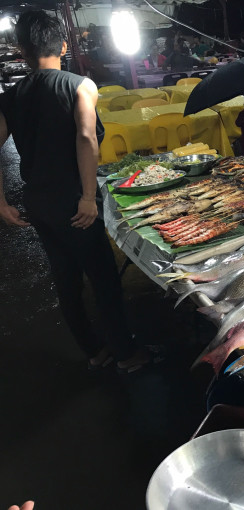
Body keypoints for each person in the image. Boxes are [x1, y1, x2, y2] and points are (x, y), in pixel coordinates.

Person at [0, 11, 152, 373]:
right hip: (72, 200)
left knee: (65, 278)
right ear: (64, 46)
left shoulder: (11, 96)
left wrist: (1, 203)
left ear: (23, 51)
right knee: (103, 278)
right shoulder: (80, 85)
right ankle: (126, 355)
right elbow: (86, 137)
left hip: (38, 202)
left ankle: (94, 351)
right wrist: (86, 196)